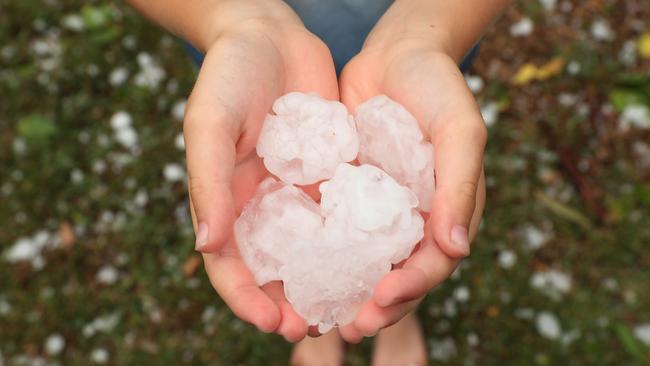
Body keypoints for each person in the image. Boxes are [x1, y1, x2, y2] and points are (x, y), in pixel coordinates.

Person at [127, 1, 510, 364]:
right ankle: (331, 302)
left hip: (424, 26)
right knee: (366, 266)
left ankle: (386, 304)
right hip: (256, 47)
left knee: (406, 265)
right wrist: (237, 20)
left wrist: (426, 34)